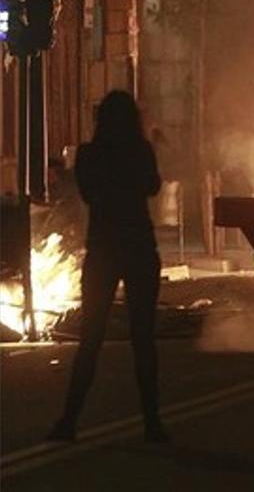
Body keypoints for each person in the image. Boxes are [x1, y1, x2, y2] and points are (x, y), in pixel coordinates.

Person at [49, 91, 169, 443]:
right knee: (143, 340)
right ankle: (152, 423)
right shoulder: (140, 151)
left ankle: (69, 422)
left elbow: (87, 194)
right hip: (139, 249)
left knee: (91, 338)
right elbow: (152, 187)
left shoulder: (89, 154)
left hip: (103, 251)